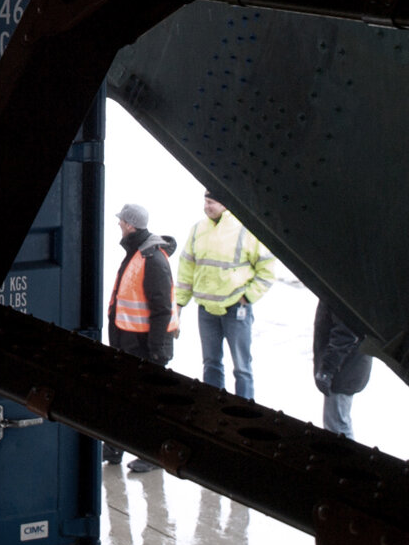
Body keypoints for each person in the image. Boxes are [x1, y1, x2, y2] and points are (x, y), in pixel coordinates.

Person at [175, 192, 279, 401]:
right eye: (205, 201)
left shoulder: (244, 229)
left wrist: (247, 297)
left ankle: (244, 410)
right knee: (211, 363)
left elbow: (268, 269)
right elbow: (186, 269)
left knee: (242, 367)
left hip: (235, 309)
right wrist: (179, 303)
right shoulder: (197, 229)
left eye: (211, 202)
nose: (207, 206)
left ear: (225, 204)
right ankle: (213, 406)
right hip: (206, 310)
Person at [104, 202, 178, 475]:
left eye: (121, 221)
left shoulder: (152, 258)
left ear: (130, 224)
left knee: (149, 402)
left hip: (147, 345)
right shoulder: (136, 252)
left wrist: (156, 351)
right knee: (122, 397)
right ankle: (113, 448)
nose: (119, 225)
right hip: (129, 342)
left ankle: (153, 454)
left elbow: (162, 309)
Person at [311, 302, 371, 439]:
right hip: (345, 369)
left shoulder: (343, 291)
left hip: (342, 371)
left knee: (337, 428)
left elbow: (346, 335)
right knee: (337, 424)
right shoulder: (342, 289)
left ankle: (345, 460)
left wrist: (327, 369)